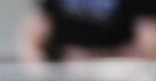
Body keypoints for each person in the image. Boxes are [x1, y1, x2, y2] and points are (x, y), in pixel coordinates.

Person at [21, 0, 156, 62]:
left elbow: (149, 49)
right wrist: (41, 73)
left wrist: (92, 57)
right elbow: (33, 38)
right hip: (62, 80)